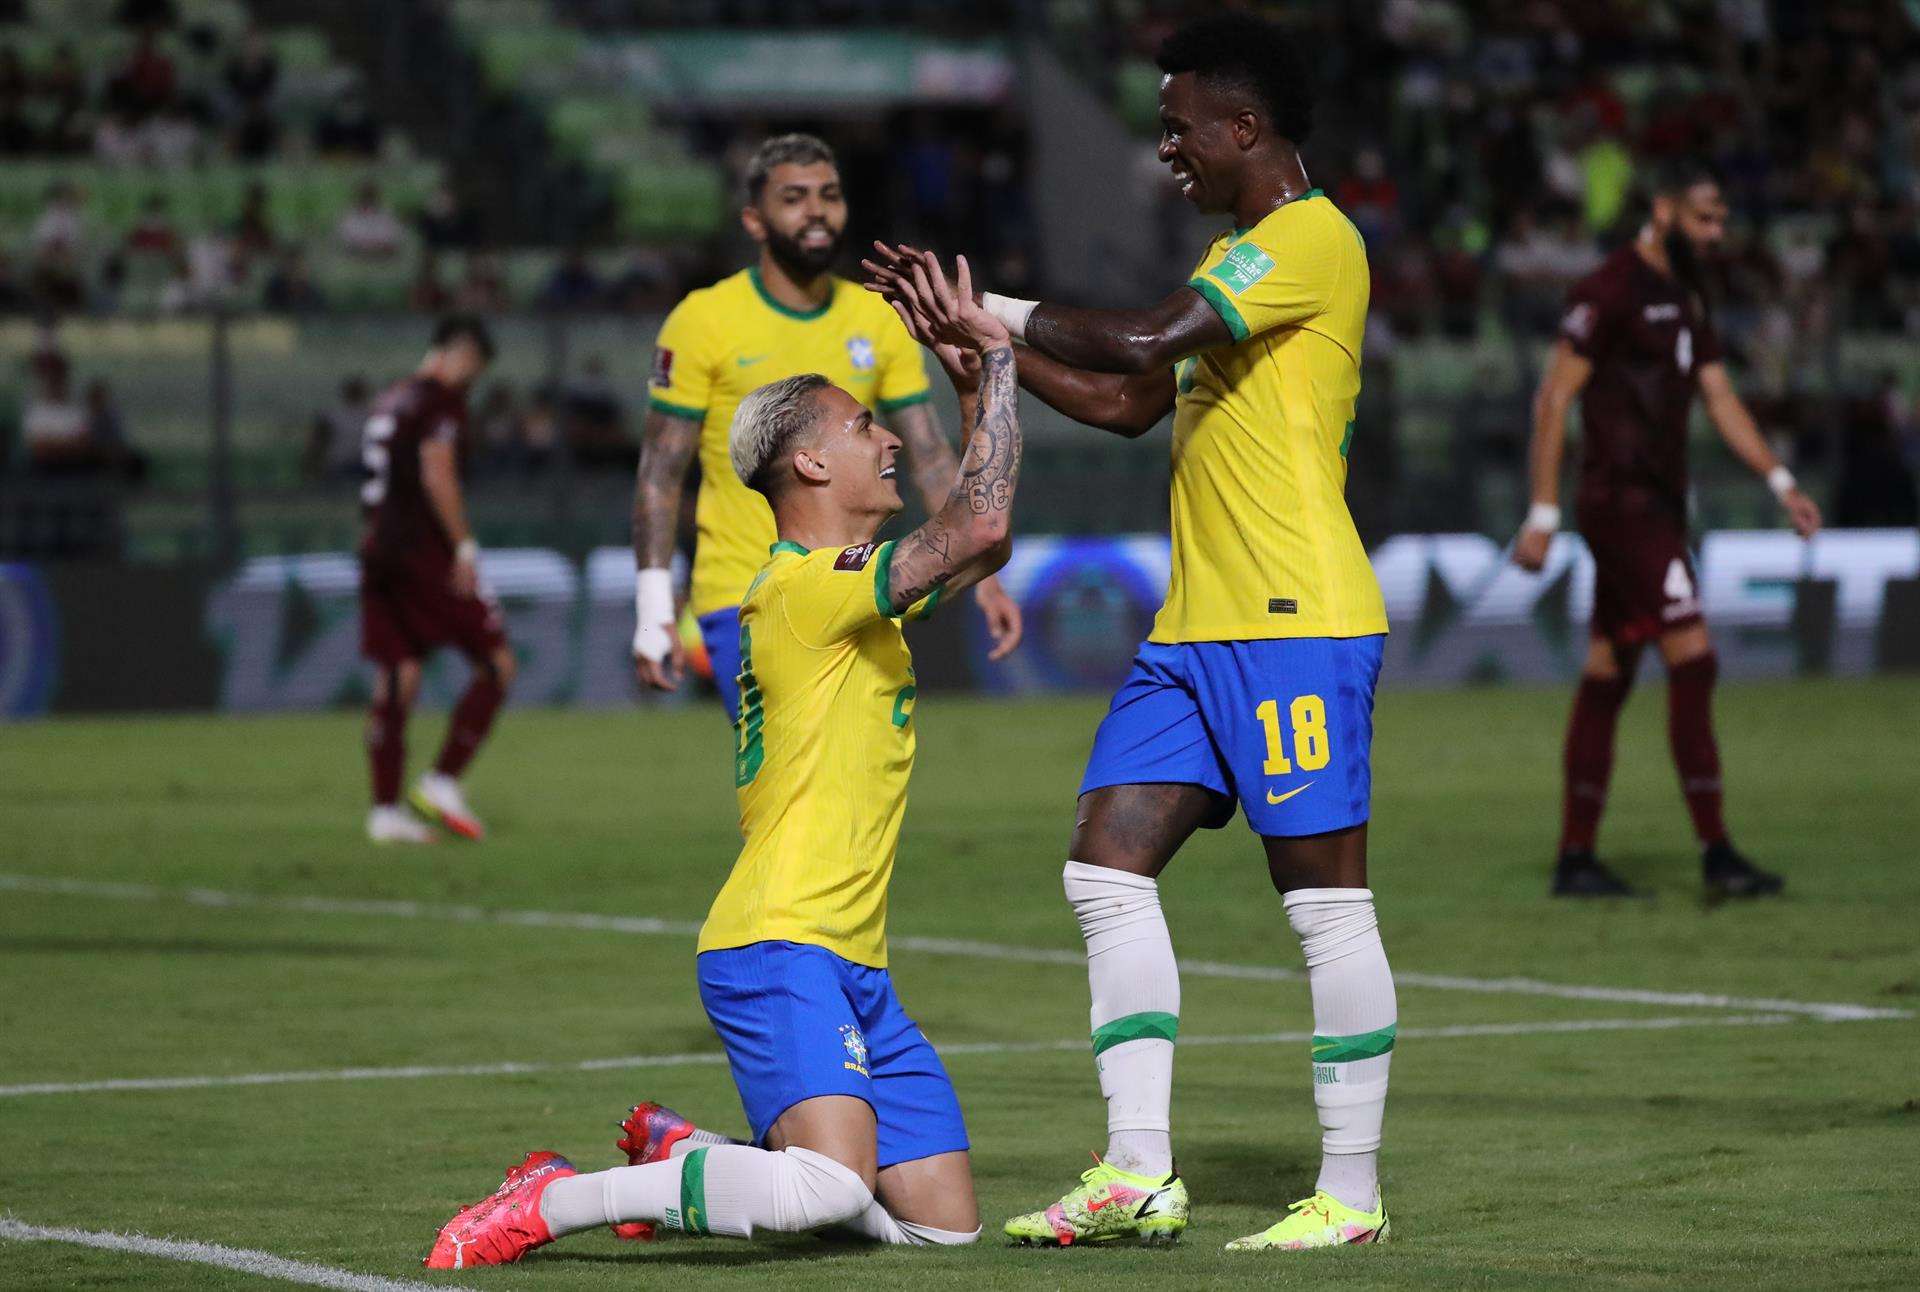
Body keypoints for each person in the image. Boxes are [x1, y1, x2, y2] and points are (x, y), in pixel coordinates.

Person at [870, 11, 1394, 1253]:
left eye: (1178, 126)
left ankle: (1353, 1193)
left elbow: (1147, 337)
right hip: (1193, 628)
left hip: (1294, 618)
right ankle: (1138, 1172)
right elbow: (1122, 399)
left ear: (1244, 126)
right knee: (1106, 864)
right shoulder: (1239, 256)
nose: (1167, 146)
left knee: (1323, 904)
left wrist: (989, 300)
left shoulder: (1307, 244)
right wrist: (986, 347)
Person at [426, 254, 1021, 1268]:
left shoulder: (840, 588)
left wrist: (969, 390)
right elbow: (983, 521)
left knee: (943, 1227)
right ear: (811, 468)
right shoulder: (802, 588)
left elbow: (981, 545)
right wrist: (1001, 362)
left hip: (854, 958)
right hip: (778, 939)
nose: (885, 435)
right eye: (861, 426)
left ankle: (691, 1151)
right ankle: (557, 1195)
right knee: (828, 1185)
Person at [631, 133, 1022, 724]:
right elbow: (661, 473)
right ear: (754, 221)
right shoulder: (703, 321)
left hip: (852, 586)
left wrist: (982, 576)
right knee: (798, 767)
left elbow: (928, 453)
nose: (817, 210)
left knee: (852, 766)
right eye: (794, 197)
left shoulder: (875, 316)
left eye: (829, 195)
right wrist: (653, 602)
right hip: (743, 595)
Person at [1511, 159, 1822, 898]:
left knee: (1608, 674)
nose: (1717, 234)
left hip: (1658, 507)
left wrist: (1781, 482)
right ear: (1665, 209)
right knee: (1694, 656)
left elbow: (1719, 397)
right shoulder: (1609, 290)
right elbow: (1555, 399)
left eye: (1722, 221)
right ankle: (1716, 853)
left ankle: (1575, 860)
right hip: (1620, 506)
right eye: (1706, 218)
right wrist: (1543, 512)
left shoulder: (1688, 297)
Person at [357, 316, 512, 845]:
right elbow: (436, 469)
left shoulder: (391, 398)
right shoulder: (439, 402)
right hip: (424, 555)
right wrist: (463, 545)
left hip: (377, 550)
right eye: (474, 369)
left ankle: (384, 812)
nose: (471, 382)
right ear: (461, 353)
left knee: (399, 676)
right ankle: (442, 781)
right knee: (497, 663)